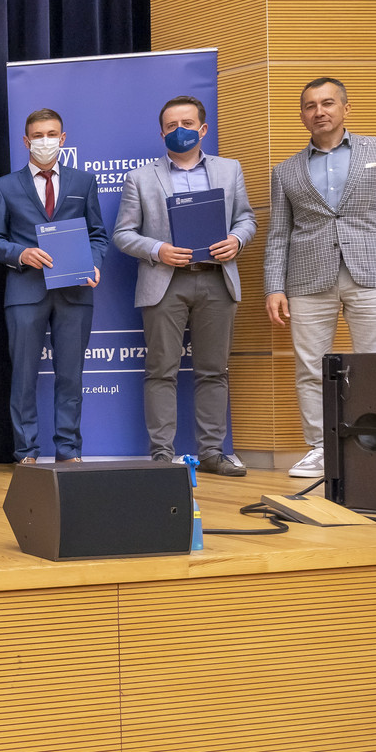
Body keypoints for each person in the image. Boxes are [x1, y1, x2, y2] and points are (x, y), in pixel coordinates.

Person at [264, 77, 376, 478]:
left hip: (371, 272)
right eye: (310, 106)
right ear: (302, 115)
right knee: (311, 368)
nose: (319, 111)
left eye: (327, 103)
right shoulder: (285, 171)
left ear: (345, 108)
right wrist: (274, 287)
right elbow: (278, 235)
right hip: (307, 278)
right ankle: (321, 448)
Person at [114, 95, 257, 476]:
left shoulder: (230, 169)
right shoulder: (140, 178)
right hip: (165, 283)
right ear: (162, 133)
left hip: (216, 279)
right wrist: (158, 249)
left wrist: (237, 240)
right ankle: (162, 455)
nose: (180, 131)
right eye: (172, 126)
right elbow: (123, 234)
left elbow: (246, 219)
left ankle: (212, 453)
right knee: (161, 370)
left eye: (188, 124)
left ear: (203, 128)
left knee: (214, 370)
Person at [0, 108, 107, 464]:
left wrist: (94, 263)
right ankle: (26, 451)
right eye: (38, 135)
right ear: (26, 141)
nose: (45, 141)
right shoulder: (4, 186)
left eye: (52, 134)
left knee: (71, 376)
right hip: (25, 291)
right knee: (24, 376)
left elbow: (98, 235)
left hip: (75, 290)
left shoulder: (83, 182)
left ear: (63, 138)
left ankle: (69, 451)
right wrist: (21, 254)